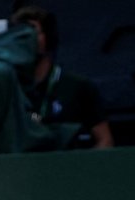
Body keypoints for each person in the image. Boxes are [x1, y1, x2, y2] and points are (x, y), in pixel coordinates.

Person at [10, 4, 114, 148]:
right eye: (20, 34)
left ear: (49, 38)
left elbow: (105, 140)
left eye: (32, 31)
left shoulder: (78, 87)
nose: (26, 40)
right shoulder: (10, 90)